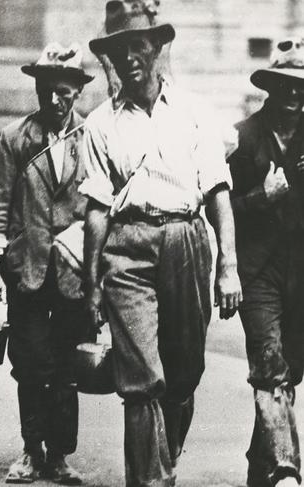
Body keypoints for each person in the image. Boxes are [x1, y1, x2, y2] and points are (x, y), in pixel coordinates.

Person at [80, 2, 242, 486]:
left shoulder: (195, 113)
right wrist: (91, 284)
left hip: (187, 242)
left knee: (183, 373)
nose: (128, 58)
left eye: (137, 46)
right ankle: (152, 480)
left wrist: (227, 266)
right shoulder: (100, 124)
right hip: (127, 248)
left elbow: (217, 191)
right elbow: (95, 210)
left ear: (156, 47)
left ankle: (163, 459)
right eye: (117, 50)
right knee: (141, 379)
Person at [0, 42, 94, 485]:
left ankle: (60, 455)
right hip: (26, 270)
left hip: (74, 272)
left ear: (78, 92)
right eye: (47, 89)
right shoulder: (16, 138)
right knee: (29, 363)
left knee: (67, 366)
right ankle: (30, 450)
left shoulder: (93, 137)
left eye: (64, 91)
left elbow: (105, 205)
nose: (54, 99)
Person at [227, 38, 304, 487]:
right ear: (271, 87)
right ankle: (287, 473)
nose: (294, 95)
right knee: (270, 365)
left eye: (302, 87)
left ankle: (263, 469)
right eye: (286, 86)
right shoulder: (242, 137)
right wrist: (263, 196)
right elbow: (220, 207)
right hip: (257, 273)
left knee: (290, 370)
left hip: (302, 271)